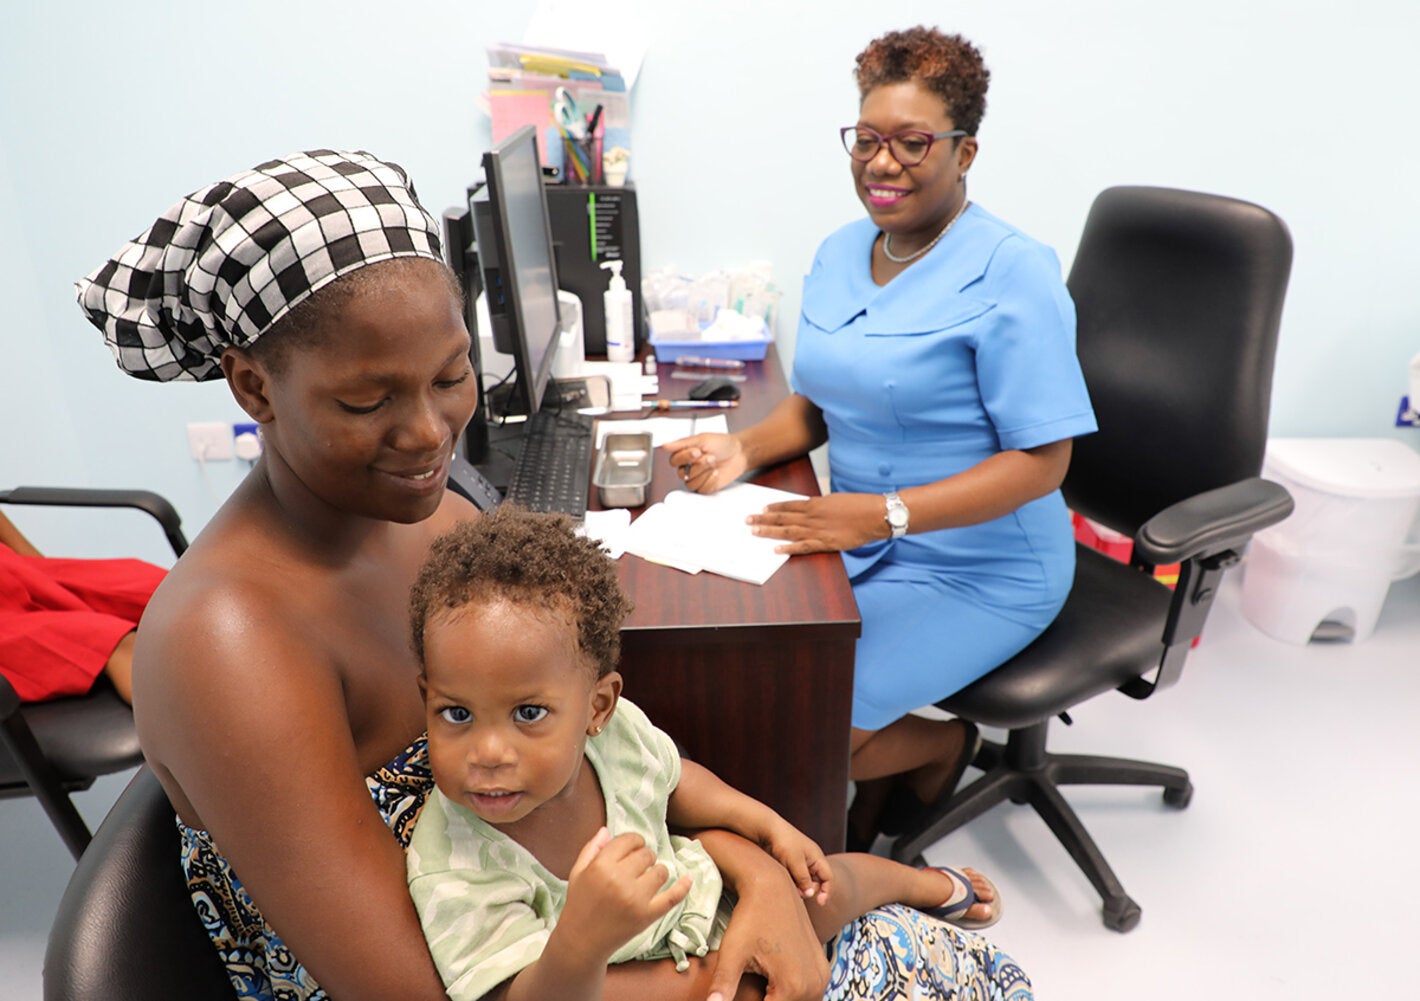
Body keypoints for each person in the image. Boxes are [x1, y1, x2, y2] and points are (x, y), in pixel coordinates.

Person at [74, 148, 1030, 1001]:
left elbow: (607, 761)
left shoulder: (437, 519)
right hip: (524, 976)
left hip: (589, 918)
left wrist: (758, 874)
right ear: (253, 386)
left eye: (451, 376)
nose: (429, 434)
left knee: (923, 952)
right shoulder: (230, 639)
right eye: (367, 401)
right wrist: (728, 969)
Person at [664, 27, 1098, 851]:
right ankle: (898, 758)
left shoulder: (1013, 270)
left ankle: (939, 746)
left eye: (912, 142)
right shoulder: (839, 252)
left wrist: (883, 515)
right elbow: (822, 402)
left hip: (985, 565)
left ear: (965, 152)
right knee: (754, 671)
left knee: (806, 711)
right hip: (861, 534)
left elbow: (1046, 461)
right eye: (865, 139)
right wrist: (745, 449)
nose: (881, 162)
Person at [406, 507, 1020, 1001]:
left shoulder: (612, 738)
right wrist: (580, 944)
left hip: (708, 897)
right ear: (427, 699)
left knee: (826, 888)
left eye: (528, 714)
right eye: (457, 714)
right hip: (654, 969)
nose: (488, 753)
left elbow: (676, 782)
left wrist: (767, 826)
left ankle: (920, 884)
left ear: (598, 707)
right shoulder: (453, 865)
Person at [0, 508, 166, 703]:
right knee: (110, 639)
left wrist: (42, 570)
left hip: (14, 571)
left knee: (166, 591)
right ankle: (187, 719)